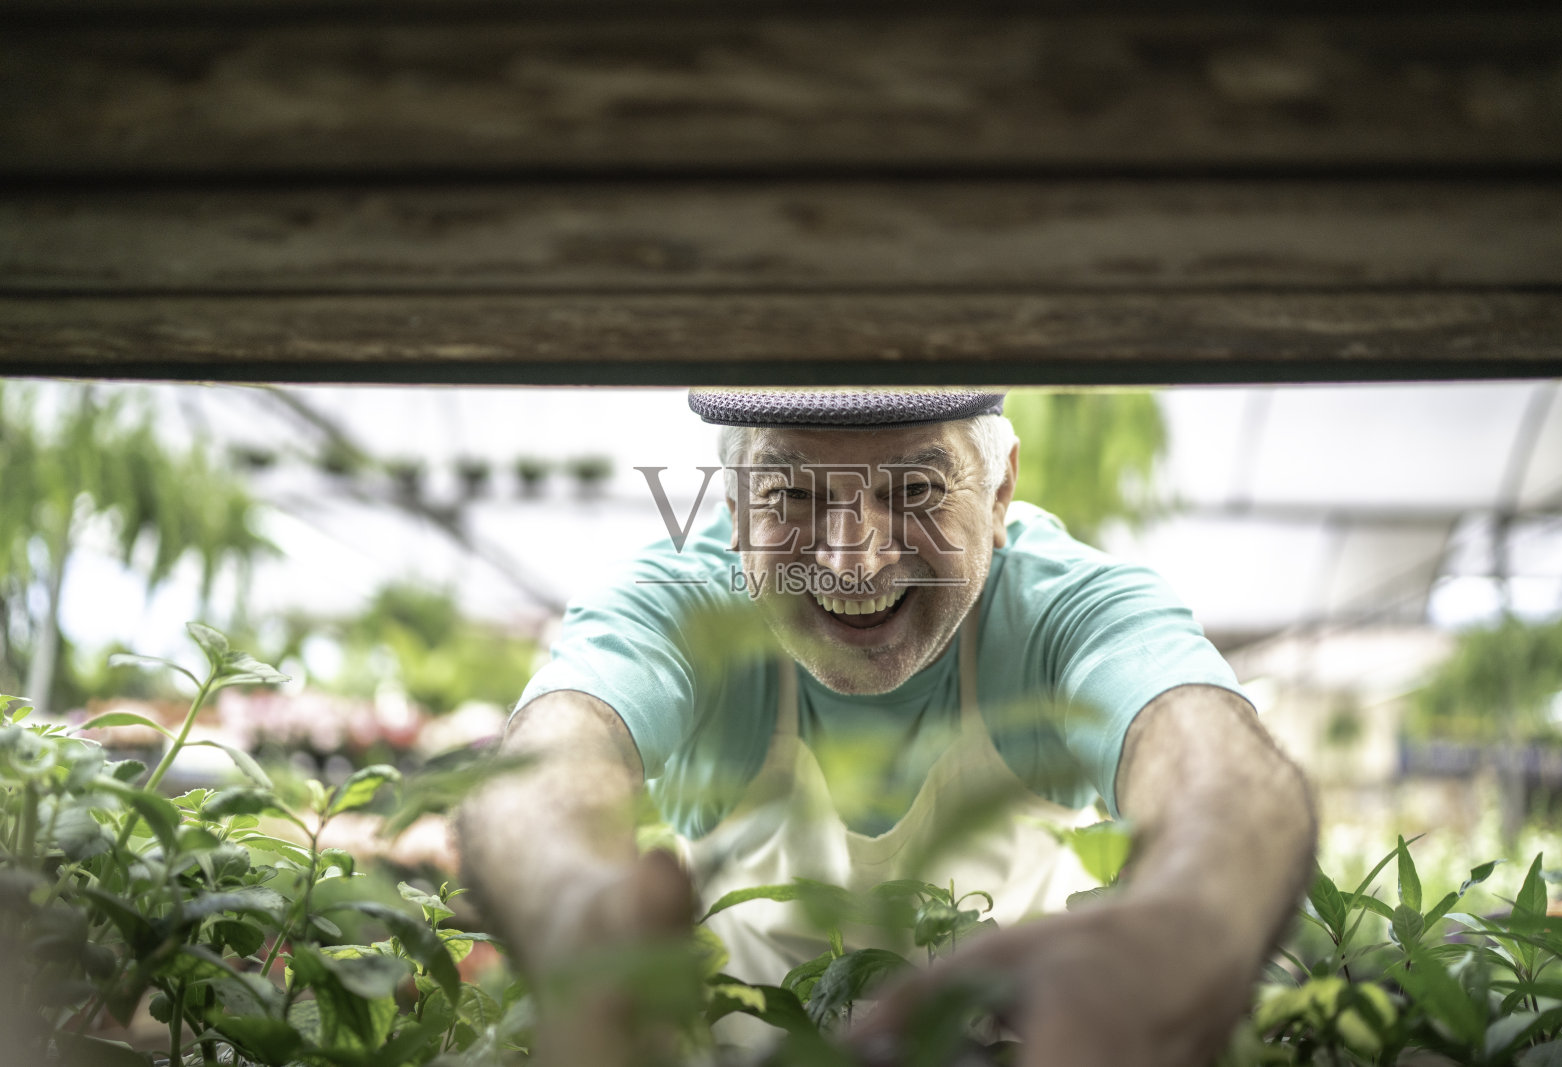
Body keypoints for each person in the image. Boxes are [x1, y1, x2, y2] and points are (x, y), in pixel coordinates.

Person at [458, 388, 1316, 1067]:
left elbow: (1211, 755)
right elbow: (554, 752)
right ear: (732, 504)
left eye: (914, 489)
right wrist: (572, 908)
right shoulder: (681, 602)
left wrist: (1185, 925)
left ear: (1001, 490)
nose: (851, 559)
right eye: (790, 491)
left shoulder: (1066, 610)